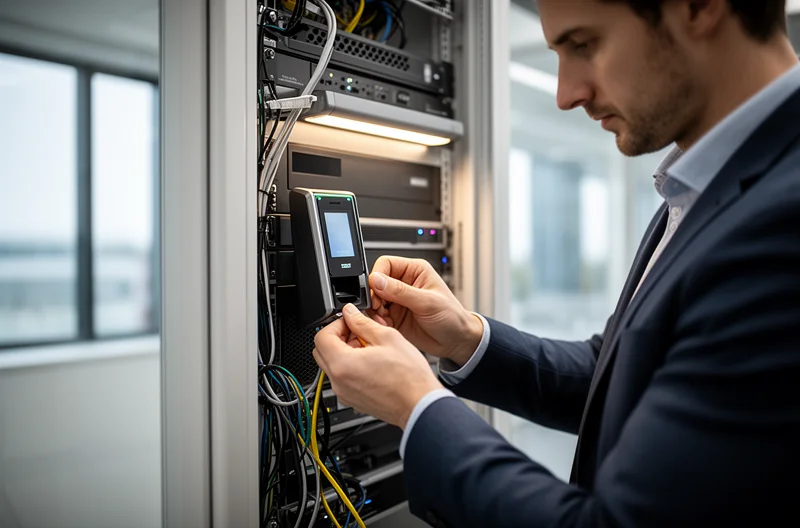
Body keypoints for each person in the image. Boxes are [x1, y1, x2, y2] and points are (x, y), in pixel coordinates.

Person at [313, 0, 800, 525]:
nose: (567, 94)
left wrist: (417, 406)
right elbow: (621, 371)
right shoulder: (705, 186)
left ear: (701, 7)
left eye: (583, 44)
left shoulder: (782, 222)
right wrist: (466, 339)